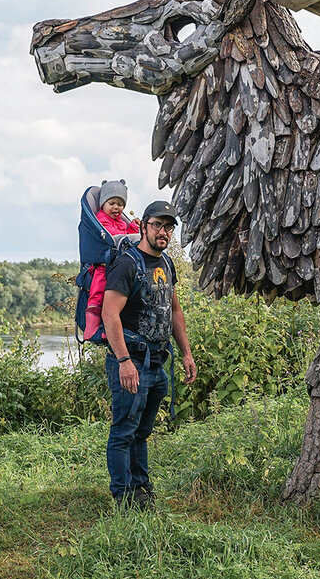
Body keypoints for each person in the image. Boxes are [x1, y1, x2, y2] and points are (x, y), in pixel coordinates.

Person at [101, 199, 197, 511]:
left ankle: (141, 488)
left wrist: (186, 353)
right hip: (130, 362)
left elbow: (174, 310)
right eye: (157, 224)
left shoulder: (166, 264)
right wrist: (124, 362)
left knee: (142, 432)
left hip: (157, 362)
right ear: (143, 225)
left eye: (168, 227)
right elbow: (110, 314)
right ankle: (124, 497)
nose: (163, 231)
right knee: (124, 431)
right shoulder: (128, 264)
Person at [83, 180, 141, 340]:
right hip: (102, 266)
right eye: (112, 203)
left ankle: (107, 326)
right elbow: (112, 236)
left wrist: (134, 228)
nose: (116, 208)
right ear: (103, 204)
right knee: (98, 294)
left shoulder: (121, 221)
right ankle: (91, 328)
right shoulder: (101, 219)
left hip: (116, 265)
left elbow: (126, 233)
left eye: (120, 204)